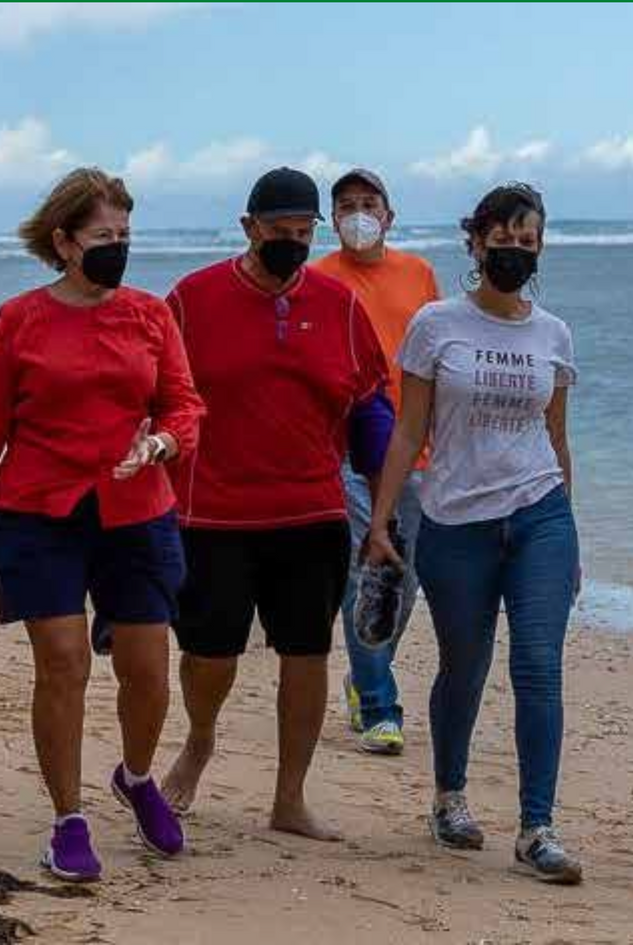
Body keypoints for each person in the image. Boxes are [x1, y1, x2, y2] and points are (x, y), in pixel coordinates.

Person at [0, 168, 204, 882]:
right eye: (102, 236)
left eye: (125, 235)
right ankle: (68, 819)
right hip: (38, 511)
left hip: (137, 511)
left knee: (147, 671)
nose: (117, 246)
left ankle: (137, 775)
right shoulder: (20, 318)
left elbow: (184, 403)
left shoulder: (151, 315)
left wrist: (163, 442)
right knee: (63, 661)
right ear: (63, 242)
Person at [158, 167, 393, 841]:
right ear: (248, 228)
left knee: (306, 650)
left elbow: (370, 413)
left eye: (303, 231)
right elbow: (159, 399)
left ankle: (289, 797)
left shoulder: (341, 305)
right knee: (210, 653)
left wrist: (381, 516)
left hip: (312, 510)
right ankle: (199, 739)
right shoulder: (192, 300)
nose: (292, 242)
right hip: (213, 511)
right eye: (278, 231)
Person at [365, 182, 584, 885]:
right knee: (464, 664)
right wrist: (381, 520)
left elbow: (557, 436)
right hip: (457, 519)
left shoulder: (553, 334)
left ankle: (536, 826)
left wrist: (570, 527)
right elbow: (409, 431)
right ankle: (449, 796)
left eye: (528, 241)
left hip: (540, 513)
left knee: (539, 665)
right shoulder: (436, 325)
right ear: (476, 241)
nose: (515, 251)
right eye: (504, 238)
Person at [313, 168, 442, 756]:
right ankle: (379, 704)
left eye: (369, 204)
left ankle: (366, 674)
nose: (359, 215)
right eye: (347, 206)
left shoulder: (417, 274)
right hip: (347, 454)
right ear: (333, 218)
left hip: (417, 450)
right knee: (368, 567)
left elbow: (441, 357)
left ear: (389, 216)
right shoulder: (318, 279)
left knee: (406, 576)